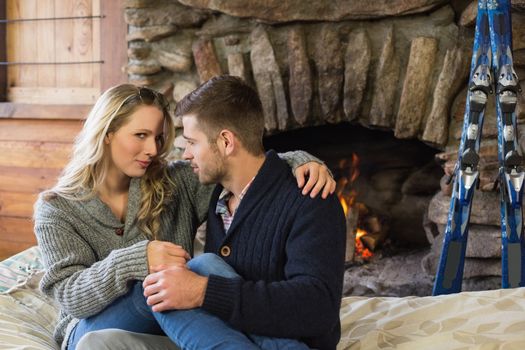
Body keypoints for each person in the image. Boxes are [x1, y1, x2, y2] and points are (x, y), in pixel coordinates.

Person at [33, 83, 336, 350]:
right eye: (140, 135)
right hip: (92, 326)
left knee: (200, 267)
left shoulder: (175, 183)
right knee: (168, 279)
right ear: (107, 134)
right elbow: (69, 297)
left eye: (158, 137)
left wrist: (302, 161)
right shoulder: (56, 208)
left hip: (173, 323)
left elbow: (243, 166)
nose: (152, 149)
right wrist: (136, 260)